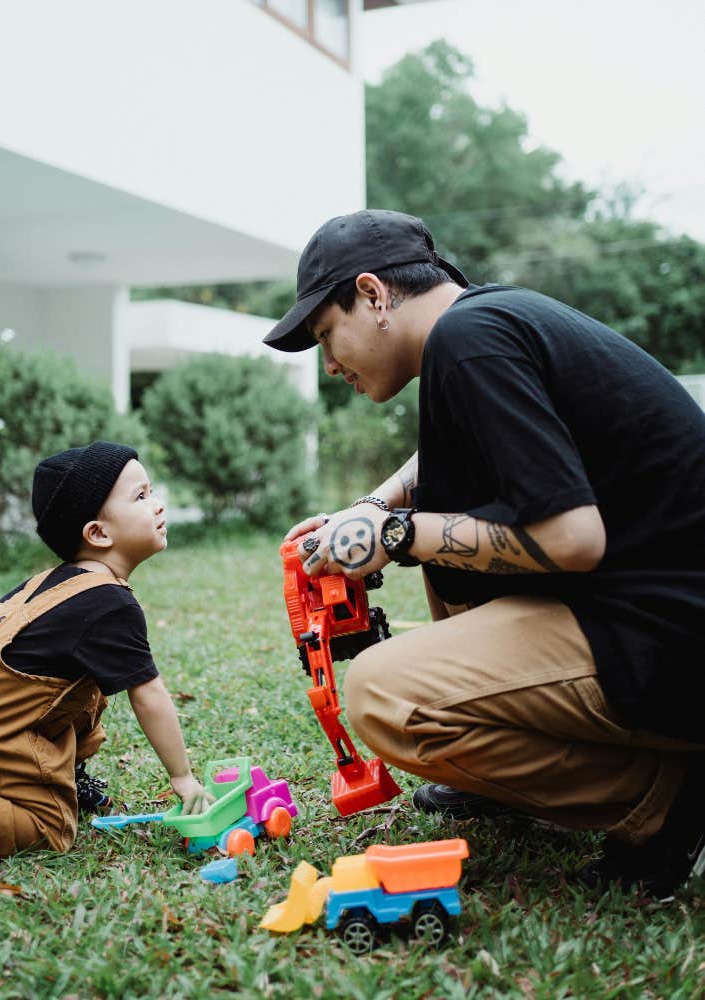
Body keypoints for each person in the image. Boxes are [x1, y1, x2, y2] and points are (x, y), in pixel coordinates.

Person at [264, 208, 705, 899]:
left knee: (383, 694)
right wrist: (374, 510)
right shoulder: (485, 327)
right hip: (656, 613)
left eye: (327, 333)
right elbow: (441, 467)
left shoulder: (469, 342)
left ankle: (663, 800)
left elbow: (573, 540)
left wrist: (397, 537)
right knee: (452, 528)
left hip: (672, 641)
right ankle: (507, 781)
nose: (330, 362)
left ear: (374, 295)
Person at [0, 440, 212, 875]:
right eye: (140, 496)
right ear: (98, 533)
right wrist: (182, 778)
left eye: (151, 492)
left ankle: (68, 781)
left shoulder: (61, 583)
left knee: (85, 687)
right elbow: (149, 696)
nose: (157, 505)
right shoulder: (110, 604)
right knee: (54, 827)